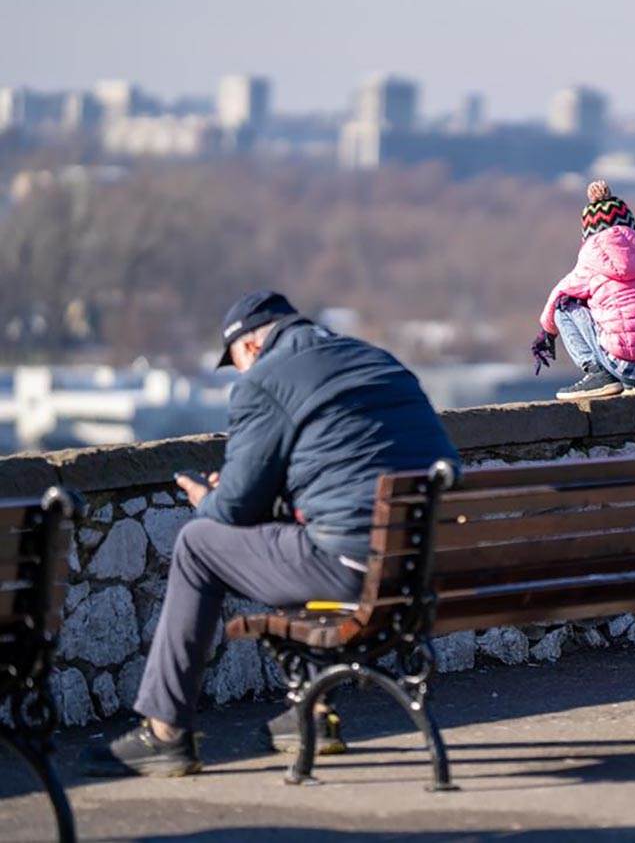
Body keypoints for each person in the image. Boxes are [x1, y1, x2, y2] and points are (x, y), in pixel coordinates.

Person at [84, 291, 459, 777]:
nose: (239, 374)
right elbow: (436, 464)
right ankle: (312, 713)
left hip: (352, 569)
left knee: (199, 544)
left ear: (252, 348)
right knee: (291, 529)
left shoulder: (263, 381)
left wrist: (207, 501)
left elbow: (236, 507)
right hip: (422, 565)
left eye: (236, 361)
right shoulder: (379, 362)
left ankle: (164, 733)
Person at [531, 180, 635, 401]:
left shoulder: (593, 255)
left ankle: (599, 375)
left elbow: (559, 295)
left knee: (563, 307)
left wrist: (546, 333)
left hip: (626, 364)